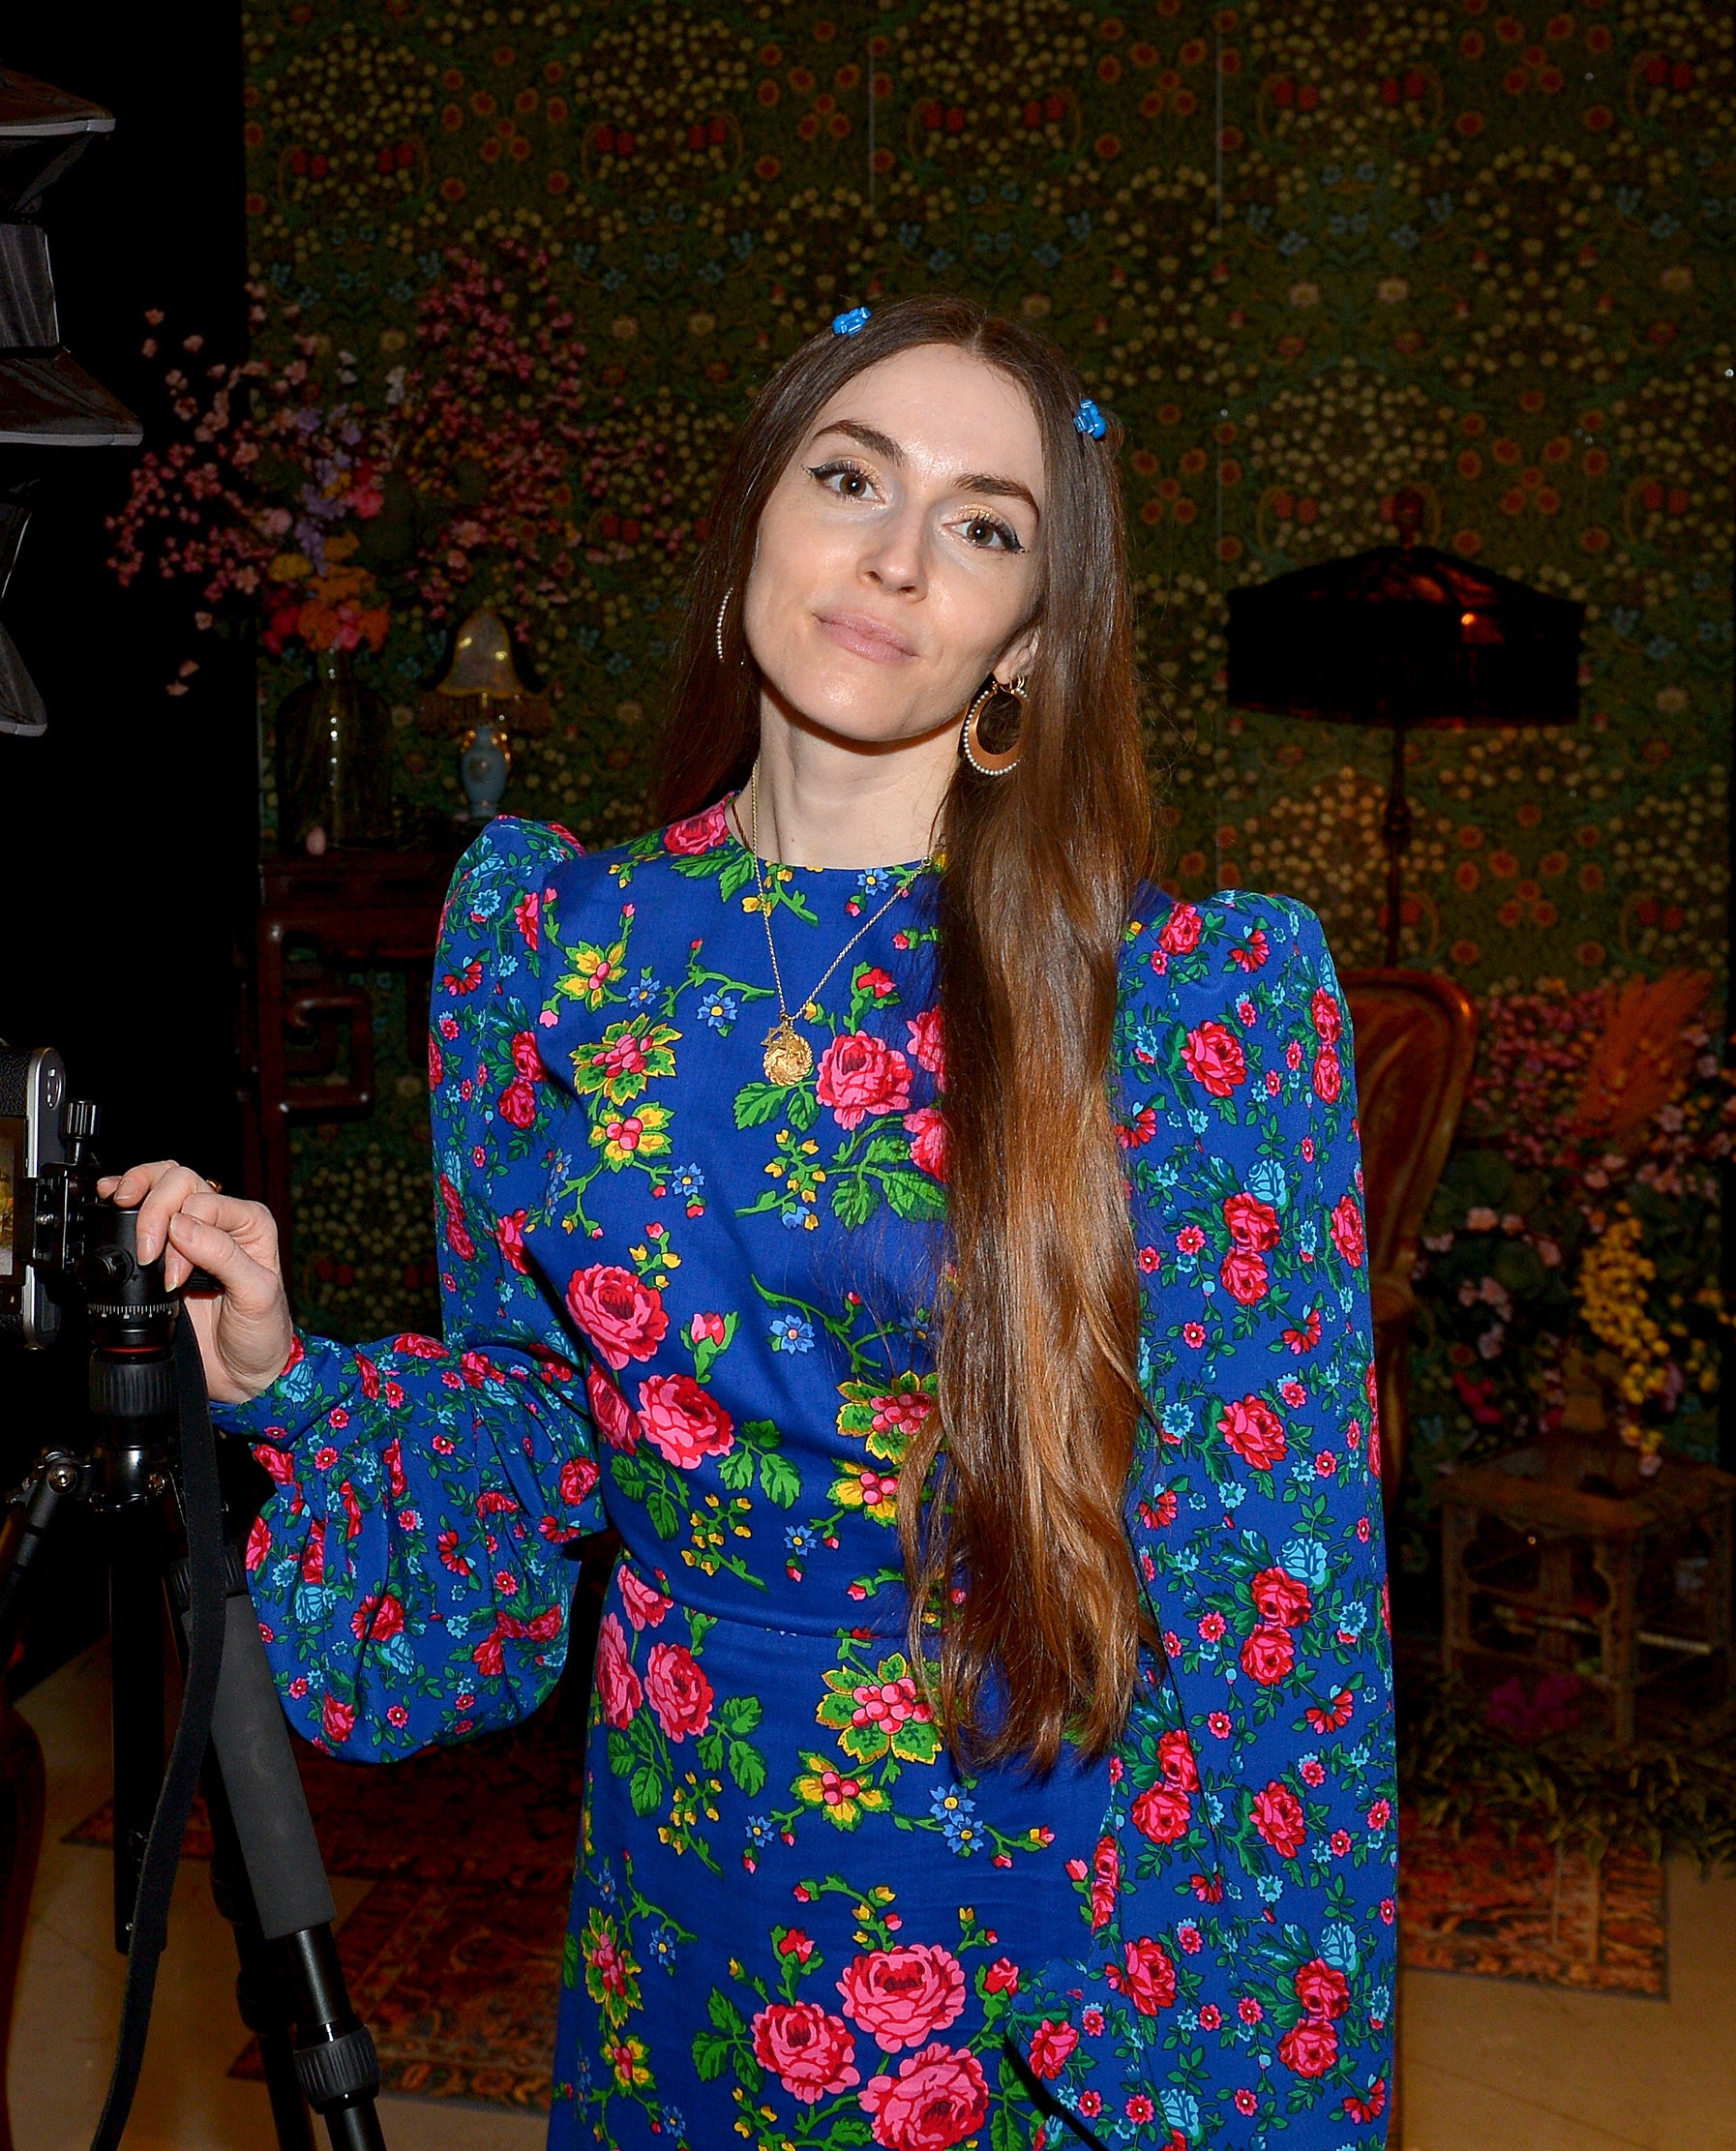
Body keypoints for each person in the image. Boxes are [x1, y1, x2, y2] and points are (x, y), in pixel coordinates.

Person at [105, 295, 1395, 2150]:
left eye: (980, 525)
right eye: (851, 476)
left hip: (1028, 1890)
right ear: (751, 540)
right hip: (677, 1852)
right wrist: (288, 1368)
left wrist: (1233, 2068)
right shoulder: (551, 945)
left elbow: (1277, 1610)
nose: (892, 553)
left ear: (1028, 640)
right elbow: (548, 1419)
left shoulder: (1177, 1001)